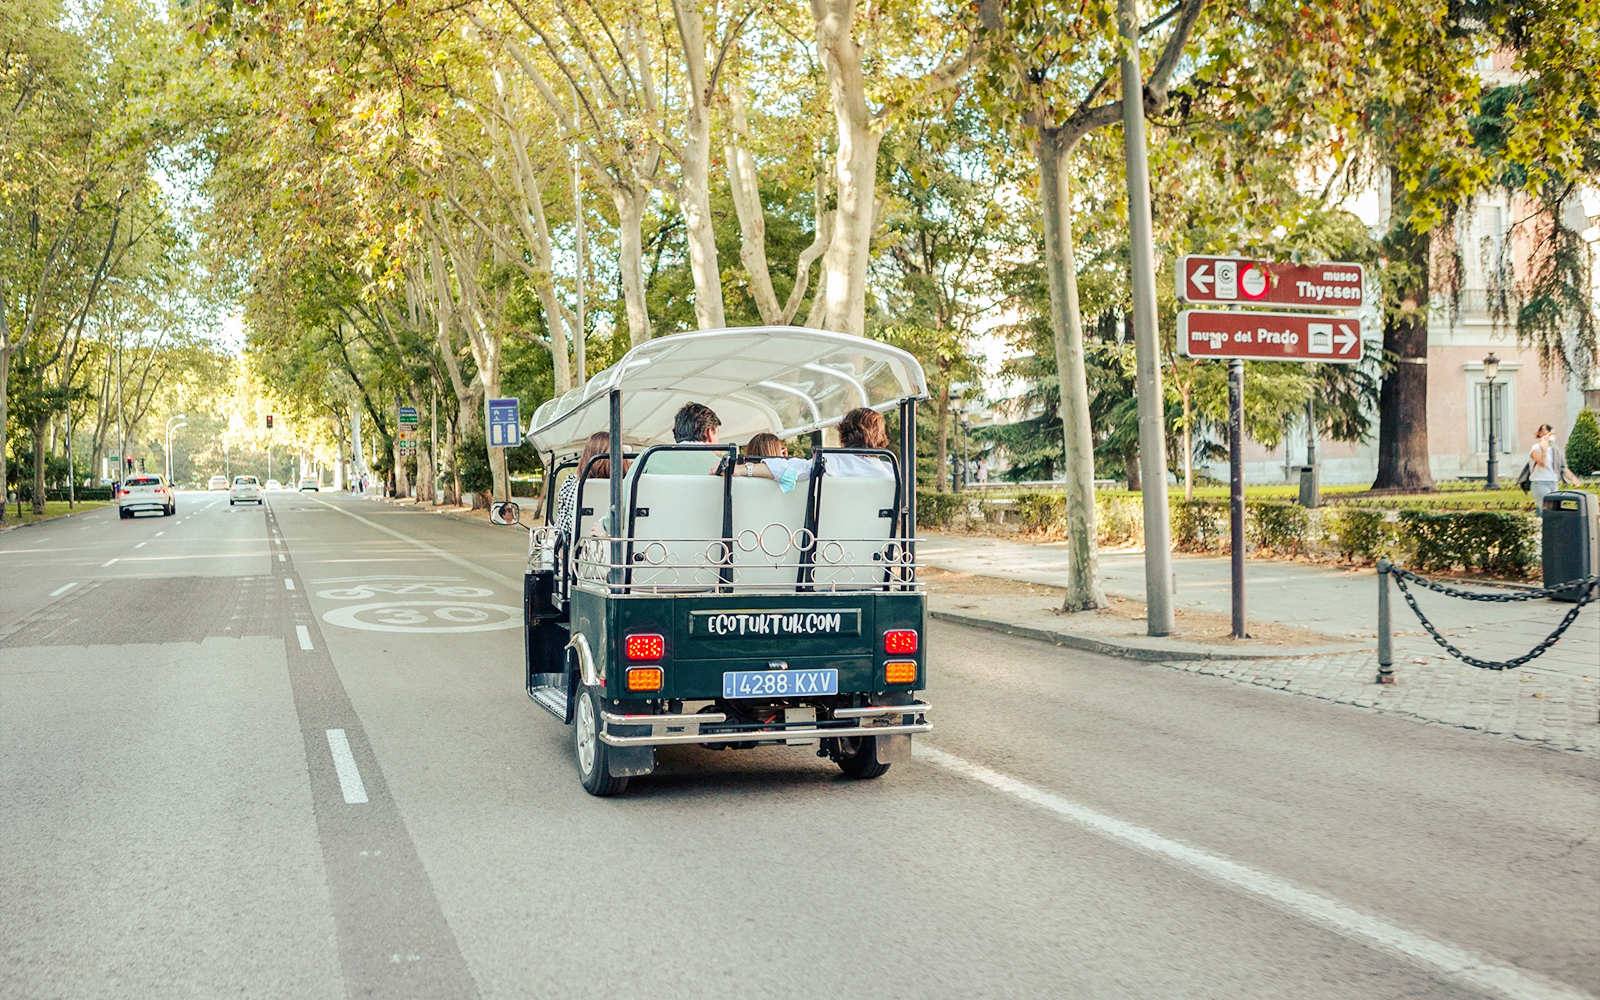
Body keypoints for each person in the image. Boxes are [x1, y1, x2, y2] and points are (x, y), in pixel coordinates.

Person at [738, 407, 896, 492]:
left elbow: (794, 469)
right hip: (878, 547)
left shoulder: (831, 462)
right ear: (881, 436)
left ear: (844, 434)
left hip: (831, 548)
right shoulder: (891, 471)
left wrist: (742, 469)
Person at [557, 431, 622, 534]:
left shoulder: (571, 486)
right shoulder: (630, 486)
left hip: (582, 547)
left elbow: (564, 530)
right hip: (623, 547)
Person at [1529, 423, 1581, 508]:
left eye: (1553, 434)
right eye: (1550, 434)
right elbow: (1543, 463)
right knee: (1547, 507)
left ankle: (1540, 520)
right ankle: (1542, 519)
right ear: (1542, 435)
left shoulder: (1555, 450)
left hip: (1553, 481)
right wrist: (1544, 449)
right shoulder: (1536, 448)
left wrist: (1573, 478)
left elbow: (1563, 467)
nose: (1552, 437)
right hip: (1540, 482)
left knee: (1554, 508)